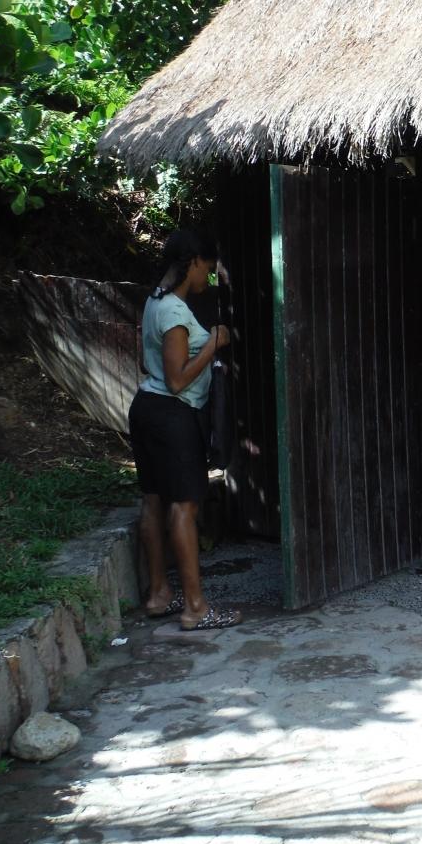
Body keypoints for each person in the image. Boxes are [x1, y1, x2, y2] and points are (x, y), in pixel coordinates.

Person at [128, 230, 242, 630]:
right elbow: (177, 381)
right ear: (192, 262)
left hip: (146, 408)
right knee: (184, 507)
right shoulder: (176, 313)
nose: (207, 277)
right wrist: (213, 343)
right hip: (173, 415)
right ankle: (196, 607)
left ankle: (159, 593)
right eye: (206, 268)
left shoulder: (154, 302)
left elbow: (149, 363)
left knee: (153, 500)